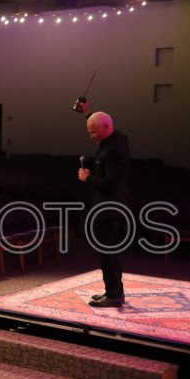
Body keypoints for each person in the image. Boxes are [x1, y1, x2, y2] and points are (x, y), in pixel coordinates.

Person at [77, 110, 131, 308]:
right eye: (89, 132)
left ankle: (114, 294)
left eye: (93, 132)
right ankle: (115, 291)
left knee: (106, 253)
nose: (91, 137)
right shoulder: (117, 140)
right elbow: (103, 122)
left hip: (108, 211)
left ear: (106, 128)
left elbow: (111, 184)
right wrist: (88, 113)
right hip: (113, 209)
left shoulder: (112, 151)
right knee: (111, 252)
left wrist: (88, 178)